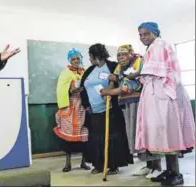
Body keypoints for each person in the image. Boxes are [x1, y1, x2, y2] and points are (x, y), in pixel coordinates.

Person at [135, 22, 195, 186]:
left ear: (155, 33)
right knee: (163, 134)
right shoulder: (151, 48)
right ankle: (168, 171)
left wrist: (138, 74)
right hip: (158, 95)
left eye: (146, 34)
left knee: (170, 133)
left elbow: (165, 72)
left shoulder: (161, 45)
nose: (143, 37)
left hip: (168, 94)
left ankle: (177, 173)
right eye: (140, 35)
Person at [100, 44, 163, 178]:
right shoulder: (120, 66)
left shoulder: (139, 62)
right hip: (126, 103)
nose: (121, 58)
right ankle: (148, 165)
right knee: (135, 135)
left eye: (123, 54)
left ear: (131, 54)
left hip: (140, 102)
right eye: (118, 55)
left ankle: (157, 167)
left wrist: (109, 91)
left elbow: (130, 85)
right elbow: (118, 78)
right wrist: (113, 80)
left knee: (145, 133)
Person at [80, 43, 133, 175]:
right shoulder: (89, 70)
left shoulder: (113, 66)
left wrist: (115, 81)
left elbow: (123, 80)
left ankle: (113, 165)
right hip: (94, 111)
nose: (90, 59)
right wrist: (86, 106)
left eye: (90, 56)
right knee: (96, 138)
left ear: (95, 55)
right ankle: (99, 164)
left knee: (111, 137)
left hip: (110, 109)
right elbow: (83, 88)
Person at [54, 48, 90, 172]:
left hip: (83, 108)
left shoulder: (85, 72)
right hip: (69, 107)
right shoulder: (65, 73)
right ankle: (68, 163)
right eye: (73, 59)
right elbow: (62, 89)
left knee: (84, 135)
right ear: (70, 60)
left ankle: (83, 162)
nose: (76, 61)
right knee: (68, 136)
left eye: (77, 58)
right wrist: (72, 90)